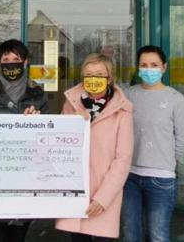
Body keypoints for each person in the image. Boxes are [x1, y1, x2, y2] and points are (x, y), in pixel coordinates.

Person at [0, 39, 49, 242]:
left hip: (25, 175)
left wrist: (37, 123)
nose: (11, 64)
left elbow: (47, 137)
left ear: (25, 62)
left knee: (18, 235)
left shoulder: (38, 95)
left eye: (16, 59)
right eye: (6, 59)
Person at [56, 53, 134, 242]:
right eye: (89, 74)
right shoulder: (71, 104)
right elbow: (59, 145)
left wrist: (103, 198)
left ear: (110, 78)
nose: (93, 79)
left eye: (99, 74)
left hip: (104, 193)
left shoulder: (122, 111)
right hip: (76, 190)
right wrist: (76, 125)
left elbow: (122, 159)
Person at [121, 45, 184, 242]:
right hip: (129, 176)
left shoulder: (175, 99)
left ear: (164, 67)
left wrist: (166, 161)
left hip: (161, 179)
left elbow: (183, 138)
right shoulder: (128, 95)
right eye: (144, 65)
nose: (148, 69)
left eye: (154, 65)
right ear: (138, 67)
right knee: (130, 234)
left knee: (157, 236)